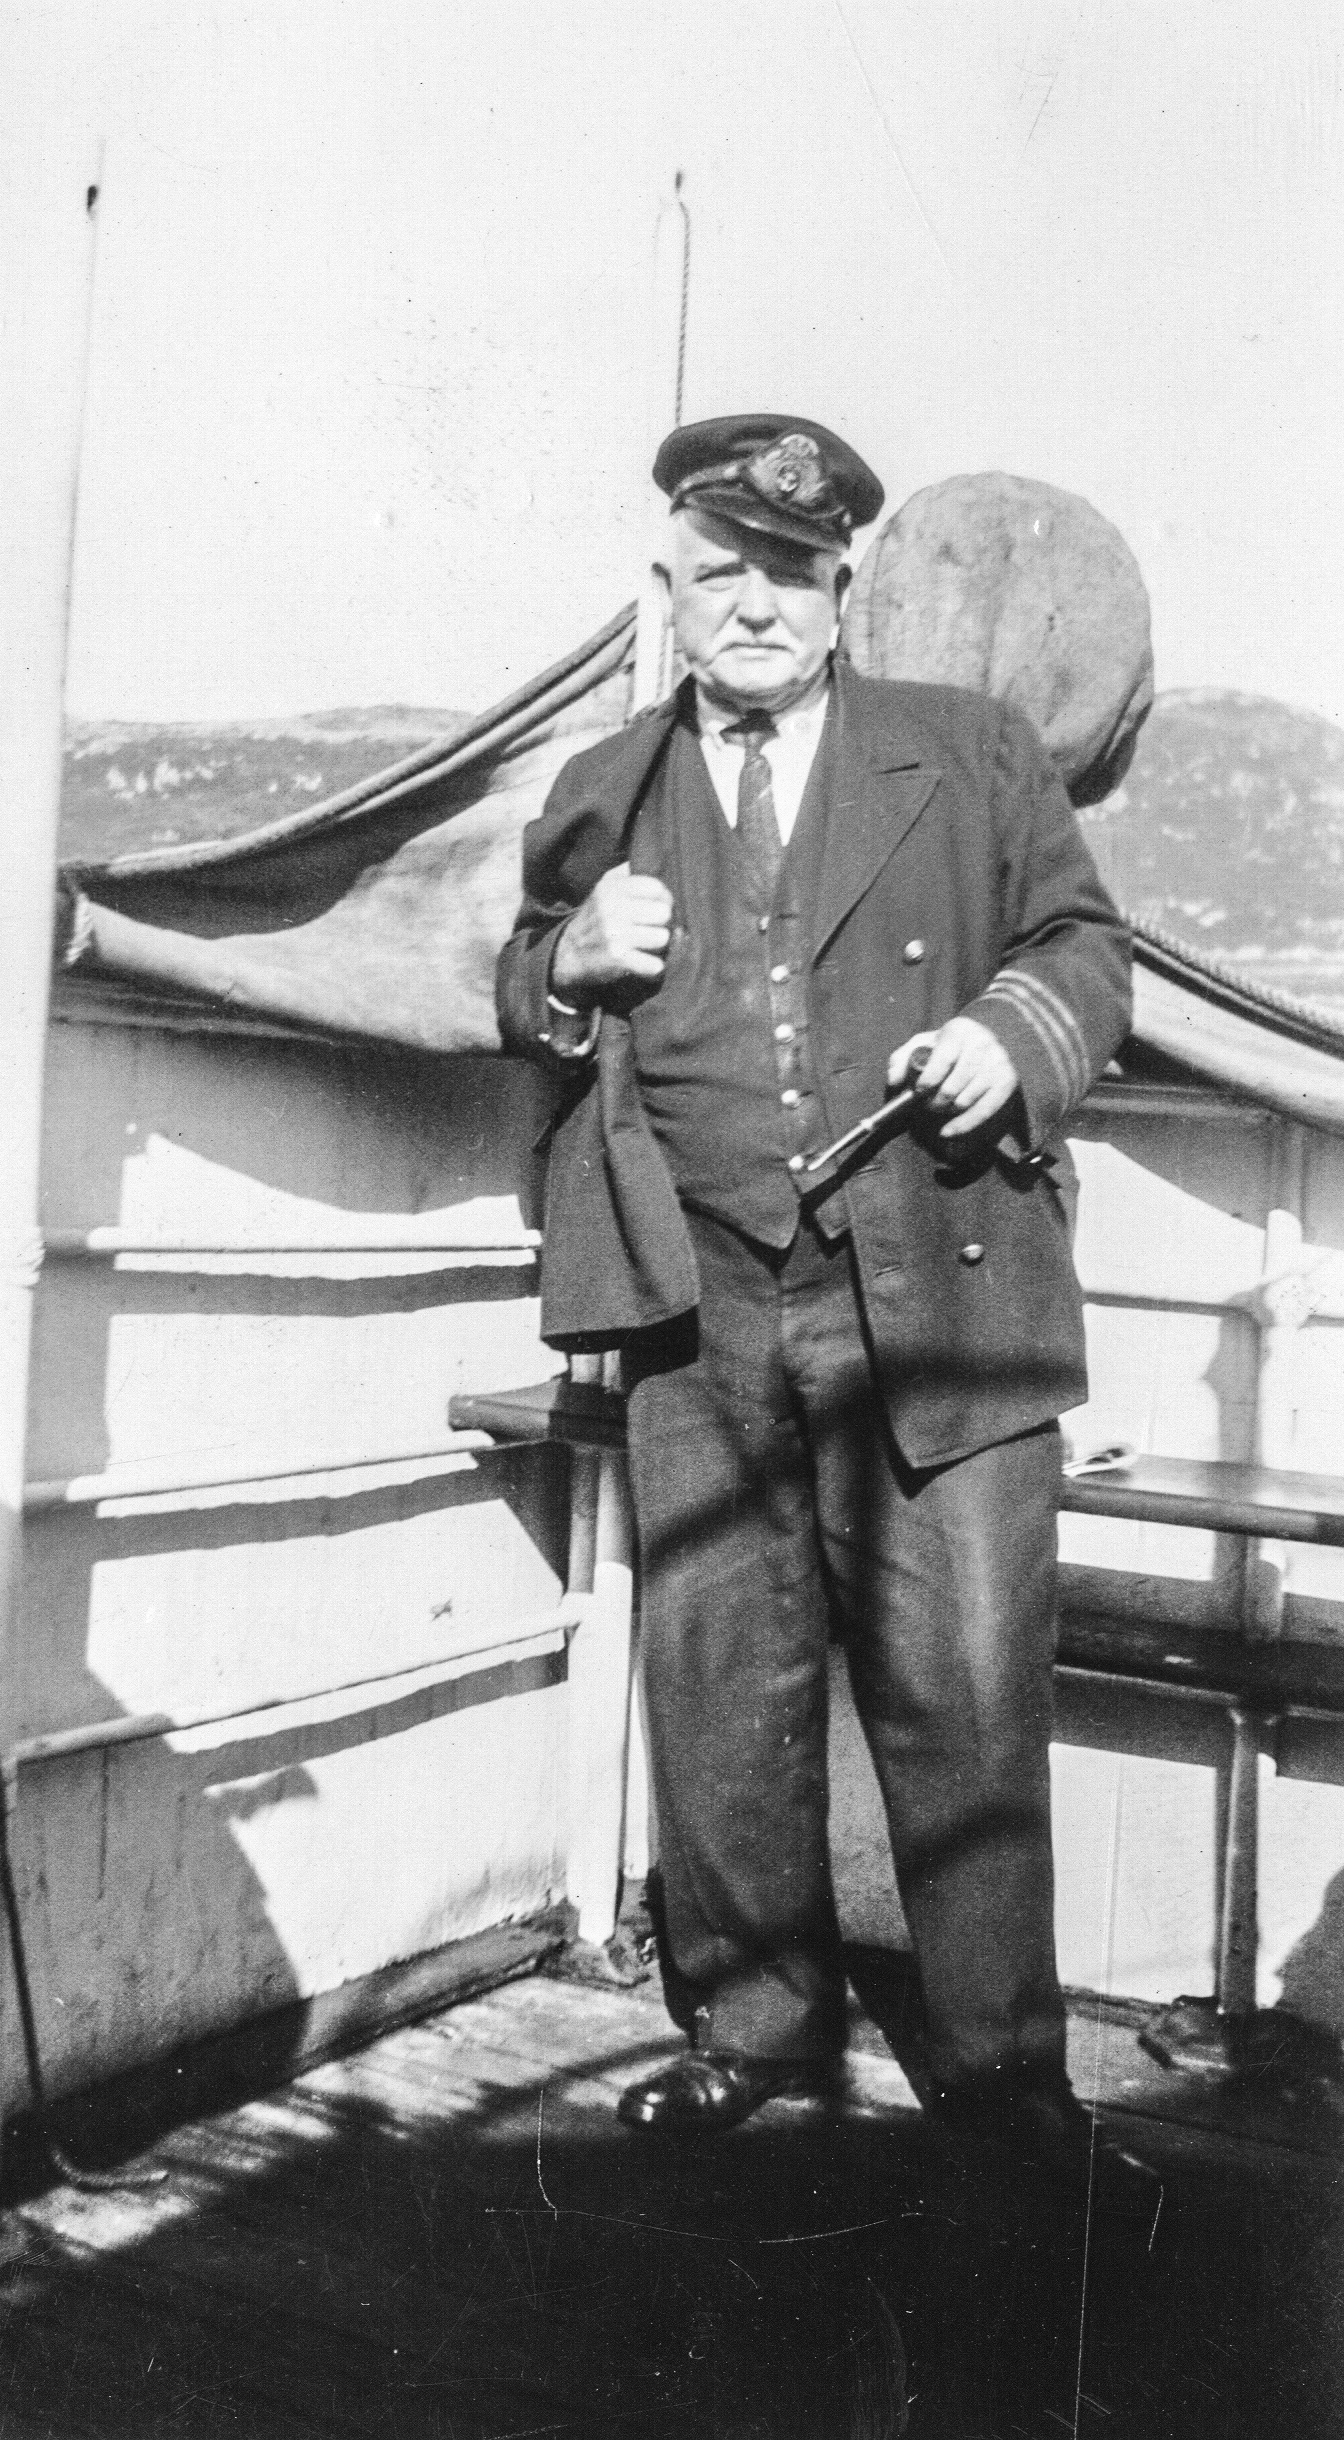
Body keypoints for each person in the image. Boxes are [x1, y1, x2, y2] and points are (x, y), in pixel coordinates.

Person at [496, 414, 1133, 2151]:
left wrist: (1012, 1038)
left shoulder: (971, 753)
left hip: (940, 1284)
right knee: (721, 1677)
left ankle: (1003, 2072)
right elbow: (519, 997)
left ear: (839, 582)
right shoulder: (602, 787)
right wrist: (568, 962)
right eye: (723, 576)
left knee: (966, 1687)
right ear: (673, 593)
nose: (757, 604)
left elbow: (1083, 951)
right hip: (693, 1298)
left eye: (789, 572)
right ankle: (759, 2035)